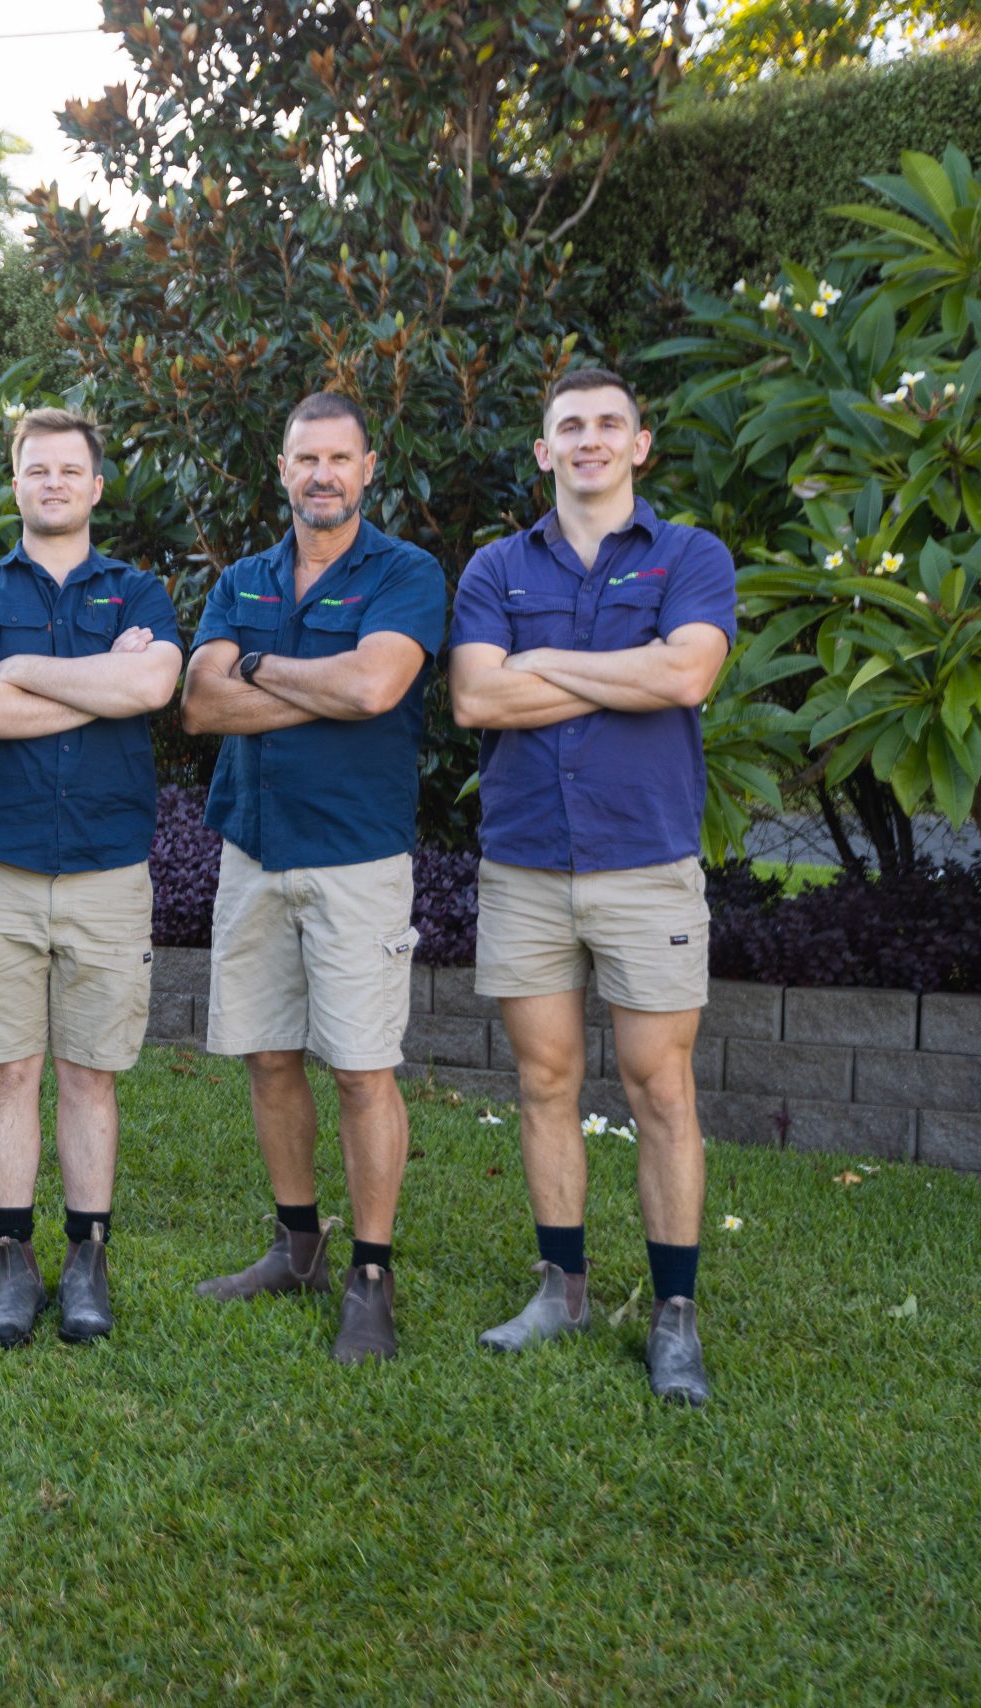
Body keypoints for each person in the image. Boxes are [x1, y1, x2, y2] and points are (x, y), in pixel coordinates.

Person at [449, 366, 735, 1405]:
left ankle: (672, 1315)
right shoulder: (494, 566)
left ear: (639, 445)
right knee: (544, 1081)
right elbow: (476, 697)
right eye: (569, 425)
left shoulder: (689, 556)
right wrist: (620, 663)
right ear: (542, 450)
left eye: (609, 424)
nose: (590, 439)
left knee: (661, 1088)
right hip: (525, 860)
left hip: (644, 859)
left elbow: (685, 677)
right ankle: (561, 1288)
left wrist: (548, 664)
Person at [181, 390, 446, 1364]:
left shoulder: (404, 572)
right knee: (265, 1054)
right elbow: (200, 709)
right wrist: (315, 681)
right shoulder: (243, 577)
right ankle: (297, 1244)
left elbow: (377, 688)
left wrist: (256, 667)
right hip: (251, 850)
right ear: (282, 469)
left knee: (363, 1069)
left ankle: (369, 1272)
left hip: (355, 856)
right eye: (305, 459)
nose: (322, 474)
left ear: (368, 468)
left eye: (340, 458)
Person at [0, 408, 183, 1347]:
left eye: (70, 471)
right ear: (17, 484)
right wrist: (89, 686)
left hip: (109, 874)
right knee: (8, 1073)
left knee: (88, 1074)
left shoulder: (139, 591)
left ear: (96, 487)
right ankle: (11, 1262)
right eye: (37, 471)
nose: (54, 484)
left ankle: (86, 1260)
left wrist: (23, 674)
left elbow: (154, 690)